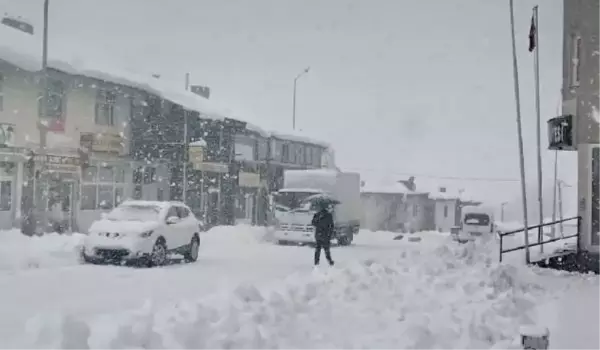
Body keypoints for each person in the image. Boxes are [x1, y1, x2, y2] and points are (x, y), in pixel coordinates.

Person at [311, 201, 335, 266]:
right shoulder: (329, 215)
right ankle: (330, 261)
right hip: (325, 235)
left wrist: (317, 222)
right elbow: (331, 226)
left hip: (319, 234)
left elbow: (313, 223)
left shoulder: (317, 215)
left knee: (318, 249)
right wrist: (329, 234)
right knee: (326, 249)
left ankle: (316, 262)